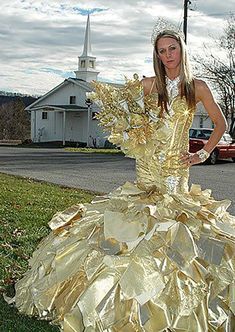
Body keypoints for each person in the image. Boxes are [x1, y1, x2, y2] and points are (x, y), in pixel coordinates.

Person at [10, 29, 234, 331]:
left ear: (182, 49)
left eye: (172, 48)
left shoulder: (198, 87)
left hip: (174, 170)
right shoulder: (147, 84)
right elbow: (117, 109)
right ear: (156, 55)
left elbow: (220, 124)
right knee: (133, 225)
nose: (167, 55)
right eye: (161, 51)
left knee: (171, 228)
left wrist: (203, 153)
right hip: (146, 167)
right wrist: (130, 135)